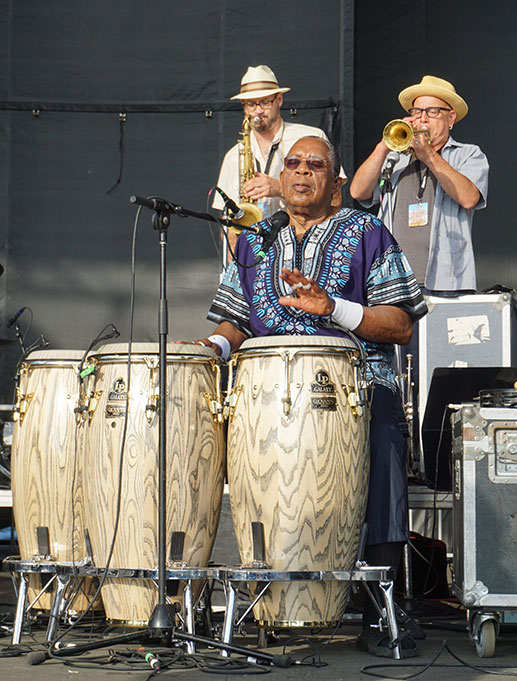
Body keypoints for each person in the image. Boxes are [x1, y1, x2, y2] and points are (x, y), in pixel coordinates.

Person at [188, 136, 427, 657]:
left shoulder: (368, 234)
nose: (300, 173)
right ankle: (258, 592)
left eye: (314, 165)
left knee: (384, 436)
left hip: (356, 387)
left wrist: (332, 308)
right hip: (267, 392)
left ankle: (383, 604)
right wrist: (211, 346)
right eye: (292, 164)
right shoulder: (257, 239)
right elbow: (237, 320)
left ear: (335, 183)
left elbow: (402, 324)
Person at [349, 75, 489, 473]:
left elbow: (467, 196)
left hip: (447, 288)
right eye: (415, 111)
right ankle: (401, 462)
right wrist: (383, 145)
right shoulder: (395, 157)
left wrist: (429, 156)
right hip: (395, 291)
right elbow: (358, 192)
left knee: (437, 381)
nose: (420, 119)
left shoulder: (468, 155)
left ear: (450, 118)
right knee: (397, 379)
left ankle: (441, 464)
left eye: (430, 112)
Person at [213, 65, 346, 222]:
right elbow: (227, 222)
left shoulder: (311, 138)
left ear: (279, 100)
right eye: (251, 104)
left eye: (264, 102)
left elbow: (335, 198)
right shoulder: (233, 156)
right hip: (256, 243)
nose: (258, 111)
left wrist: (280, 189)